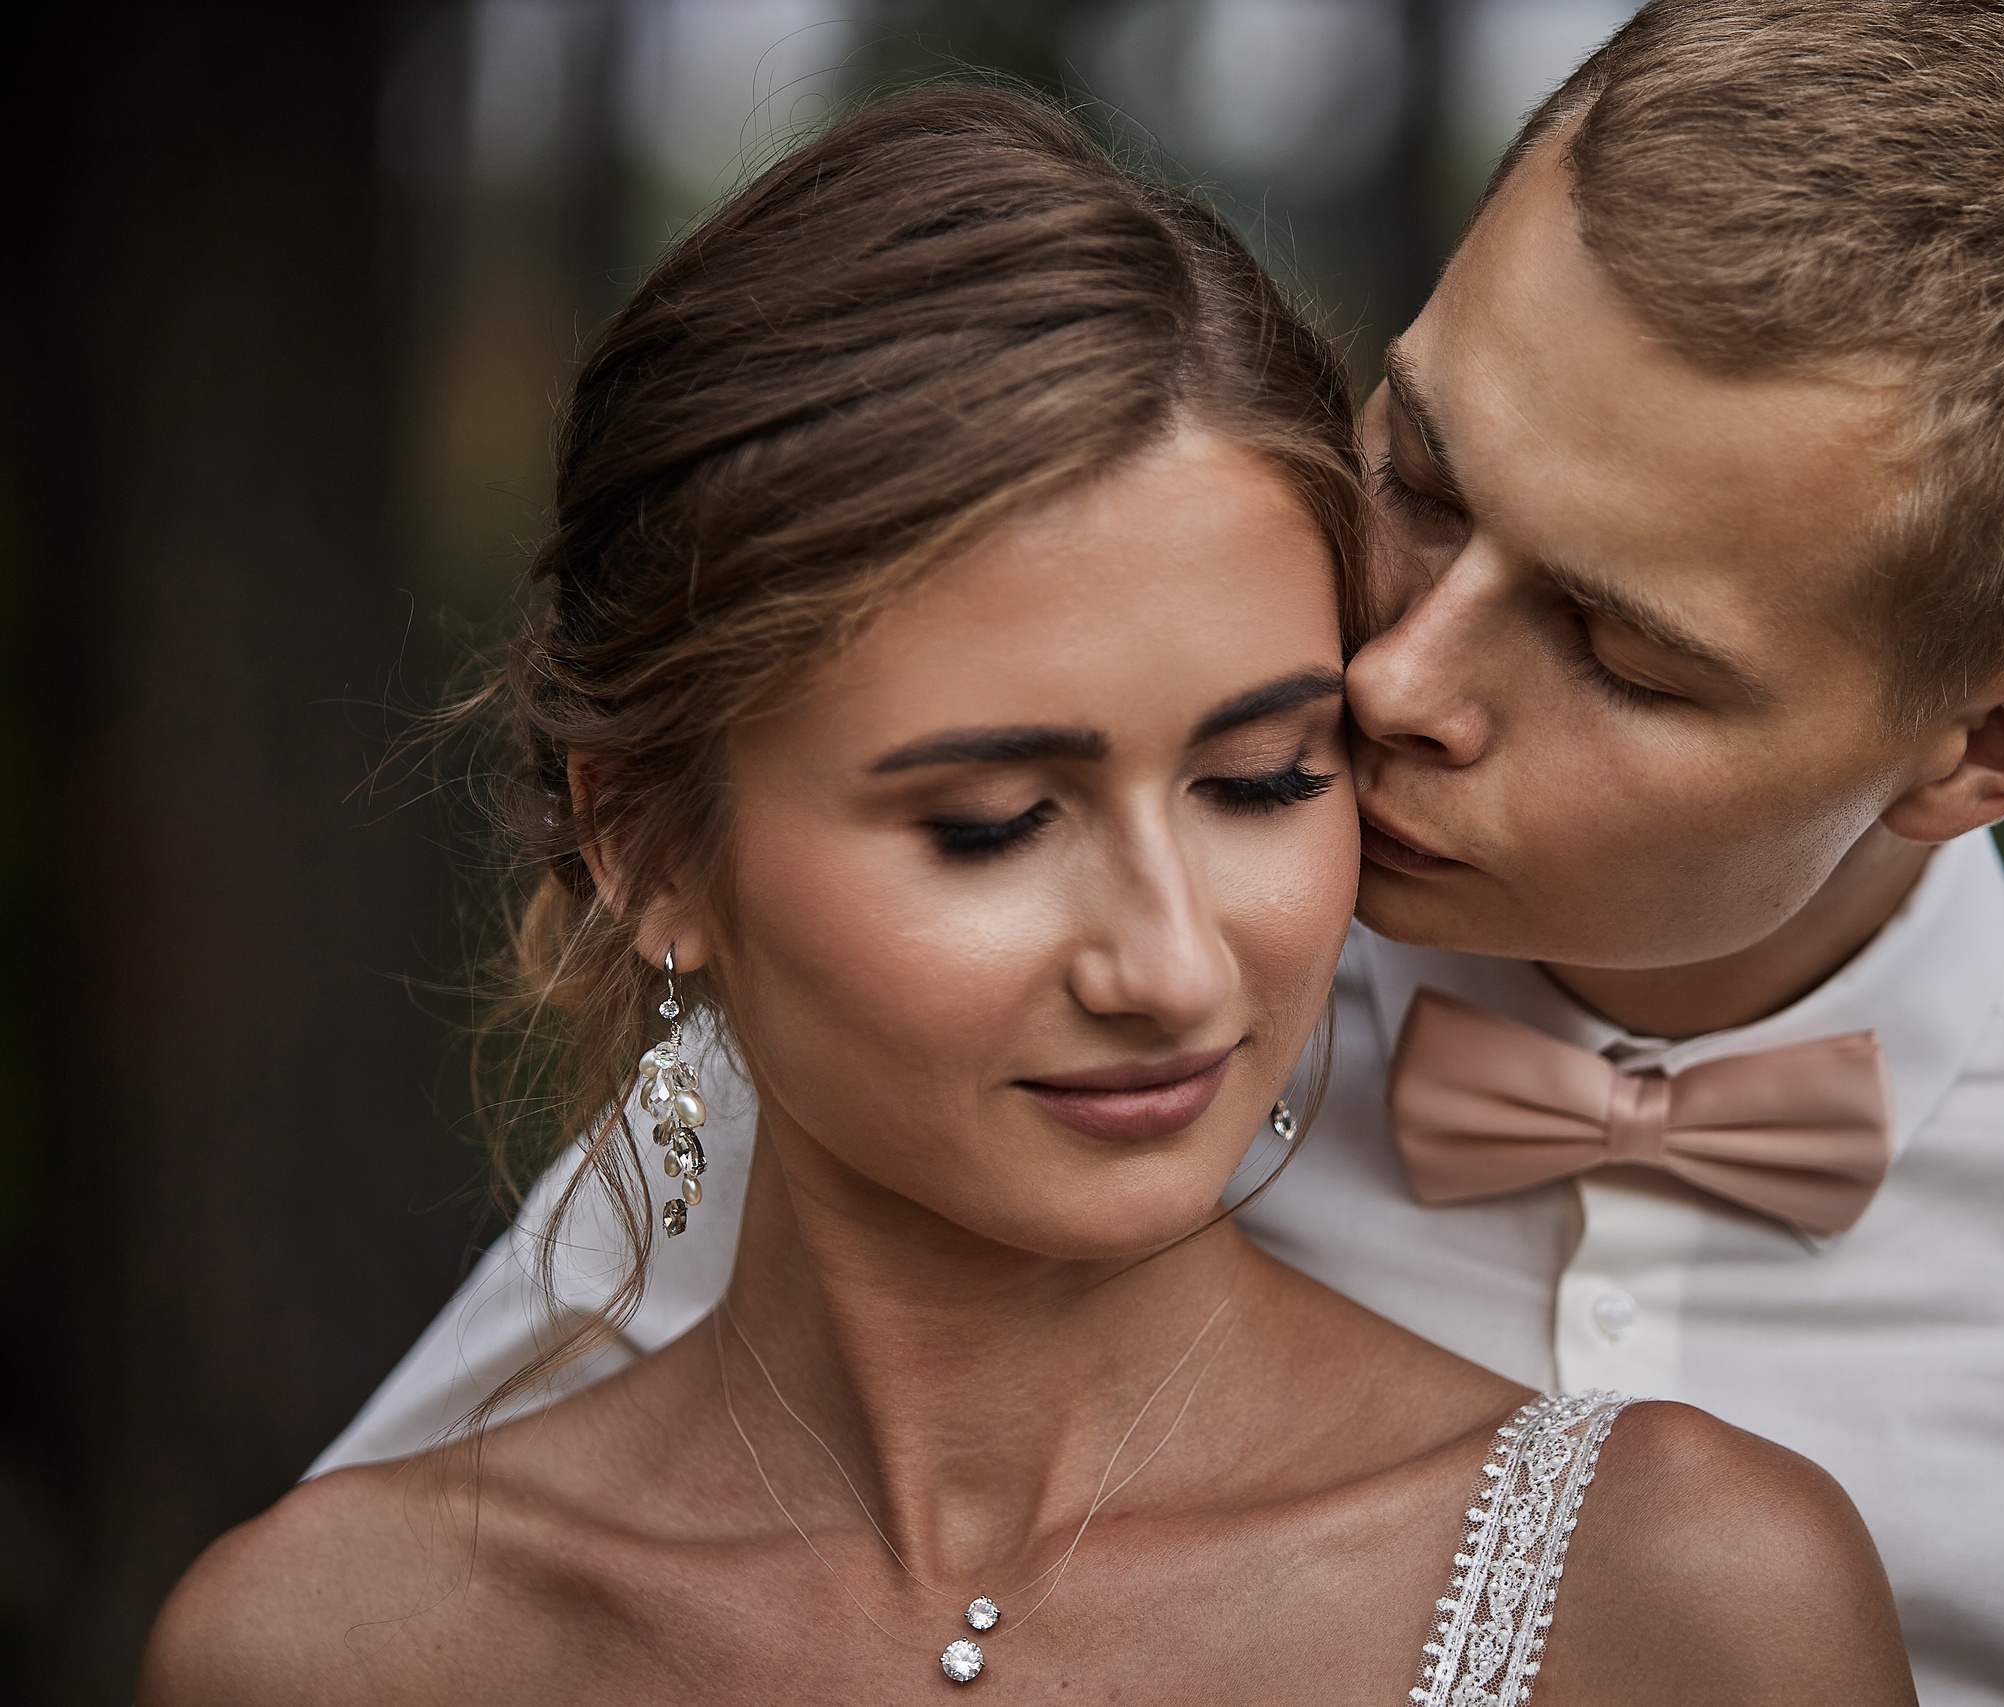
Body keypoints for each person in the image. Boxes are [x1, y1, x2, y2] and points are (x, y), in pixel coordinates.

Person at [319, 1, 2004, 1701]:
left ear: (1981, 748)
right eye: (1416, 467)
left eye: (1608, 641)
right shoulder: (994, 1045)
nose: (1395, 681)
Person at [138, 83, 1913, 1707]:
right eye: (992, 820)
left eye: (1264, 781)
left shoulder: (1684, 1602)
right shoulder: (320, 1649)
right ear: (646, 851)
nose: (1171, 965)